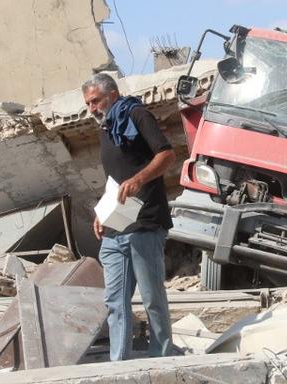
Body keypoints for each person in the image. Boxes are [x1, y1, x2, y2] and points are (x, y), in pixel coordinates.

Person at [82, 73, 175, 360]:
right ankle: (118, 364)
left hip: (145, 223)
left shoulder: (136, 115)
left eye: (95, 101)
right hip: (116, 226)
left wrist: (140, 179)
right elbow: (116, 180)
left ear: (112, 94)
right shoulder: (107, 128)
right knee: (115, 301)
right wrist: (102, 212)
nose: (92, 108)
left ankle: (161, 359)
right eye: (88, 104)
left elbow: (167, 154)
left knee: (152, 299)